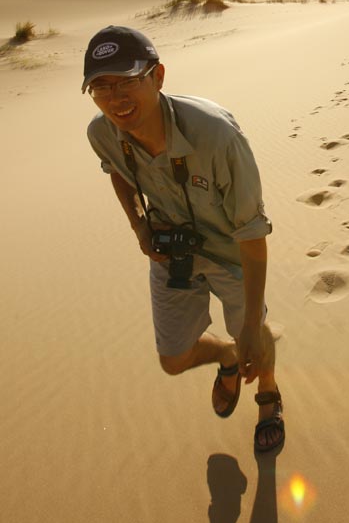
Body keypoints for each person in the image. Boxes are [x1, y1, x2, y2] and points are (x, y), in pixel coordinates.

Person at [82, 25, 284, 454]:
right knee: (173, 359)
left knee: (254, 336)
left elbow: (252, 233)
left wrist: (250, 324)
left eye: (127, 81)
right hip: (172, 254)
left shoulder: (216, 135)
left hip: (232, 253)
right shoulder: (102, 133)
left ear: (157, 77)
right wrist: (139, 225)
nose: (115, 98)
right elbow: (117, 171)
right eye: (100, 87)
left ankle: (268, 391)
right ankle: (226, 356)